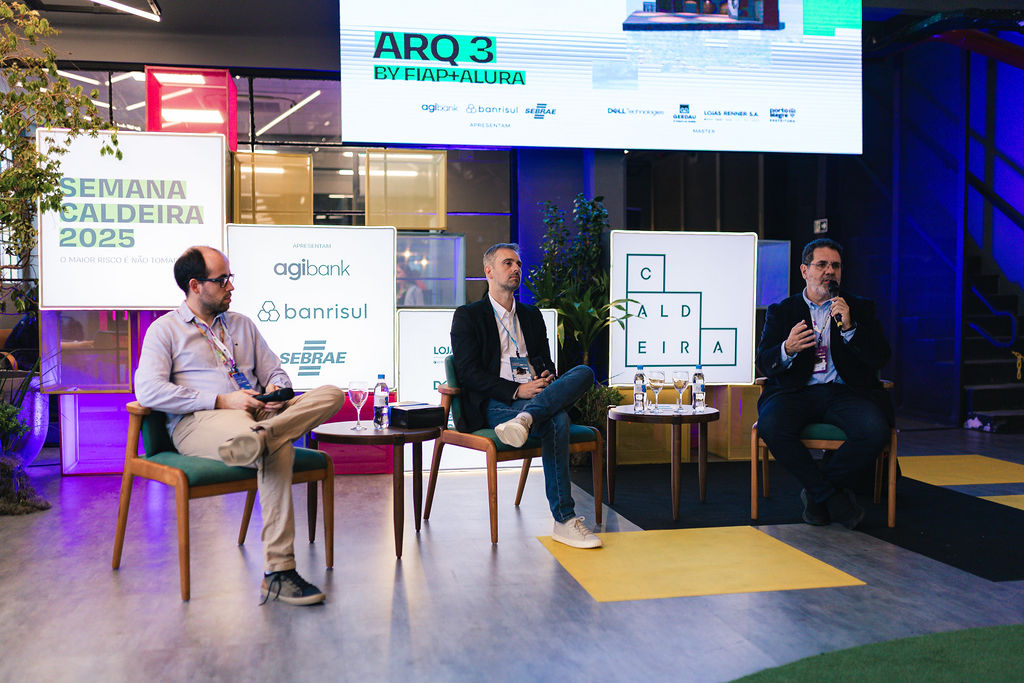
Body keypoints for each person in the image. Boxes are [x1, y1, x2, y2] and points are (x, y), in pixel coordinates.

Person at [135, 246, 345, 605]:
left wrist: (276, 388)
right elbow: (148, 390)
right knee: (276, 449)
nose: (231, 286)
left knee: (332, 394)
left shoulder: (243, 324)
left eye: (230, 278)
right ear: (195, 285)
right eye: (222, 280)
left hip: (261, 415)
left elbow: (274, 370)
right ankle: (278, 571)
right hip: (203, 420)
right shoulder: (164, 330)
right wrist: (220, 400)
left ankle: (263, 437)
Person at [450, 243, 602, 549]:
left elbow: (546, 362)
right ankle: (564, 520)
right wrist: (517, 390)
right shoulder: (468, 315)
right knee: (556, 419)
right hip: (497, 402)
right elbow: (467, 373)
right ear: (489, 271)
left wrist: (546, 377)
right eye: (508, 263)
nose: (516, 269)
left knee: (584, 373)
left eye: (518, 264)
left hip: (534, 396)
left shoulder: (531, 315)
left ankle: (527, 417)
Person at [755, 238, 892, 529]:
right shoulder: (782, 311)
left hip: (844, 392)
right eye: (822, 265)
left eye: (836, 266)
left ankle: (817, 495)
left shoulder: (858, 308)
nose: (830, 271)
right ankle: (831, 497)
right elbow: (764, 361)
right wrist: (787, 348)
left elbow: (881, 356)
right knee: (771, 426)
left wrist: (851, 329)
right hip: (796, 391)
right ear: (804, 271)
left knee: (874, 430)